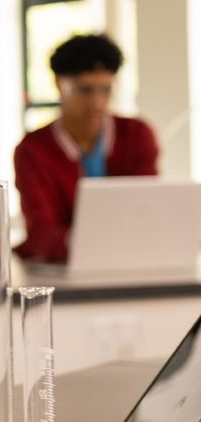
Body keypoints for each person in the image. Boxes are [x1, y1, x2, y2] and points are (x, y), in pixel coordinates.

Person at [14, 33, 159, 263]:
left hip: (129, 261)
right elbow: (41, 233)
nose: (97, 102)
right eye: (85, 90)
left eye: (106, 89)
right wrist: (100, 244)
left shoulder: (137, 135)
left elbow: (147, 212)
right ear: (59, 84)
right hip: (61, 267)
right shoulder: (33, 150)